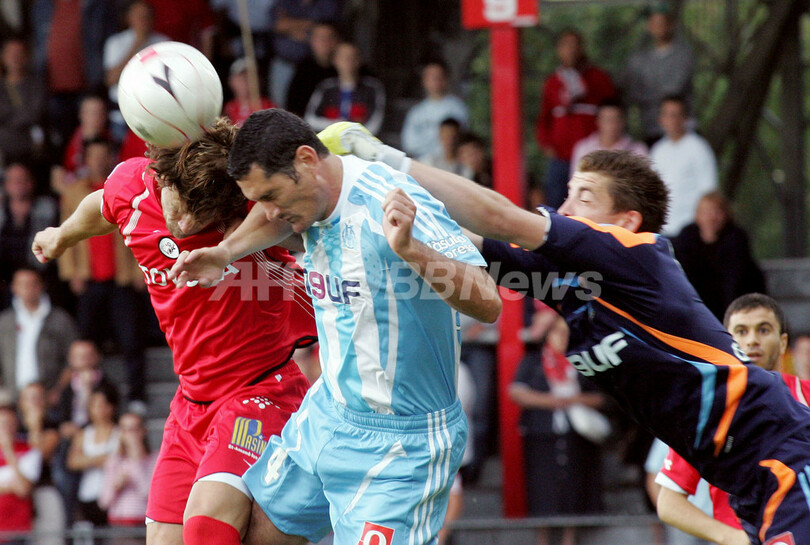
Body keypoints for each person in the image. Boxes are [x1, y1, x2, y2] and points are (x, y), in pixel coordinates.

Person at [321, 123, 810, 544]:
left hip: (782, 451)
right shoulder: (565, 283)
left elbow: (497, 215)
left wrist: (381, 157)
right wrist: (355, 203)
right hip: (746, 482)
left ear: (625, 221)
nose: (565, 207)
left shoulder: (637, 254)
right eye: (568, 192)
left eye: (584, 197)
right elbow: (466, 241)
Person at [169, 109, 501, 545]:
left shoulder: (389, 201)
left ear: (307, 161)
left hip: (404, 448)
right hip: (328, 413)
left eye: (271, 193)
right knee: (257, 534)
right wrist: (225, 251)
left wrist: (411, 250)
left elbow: (487, 300)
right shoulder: (306, 196)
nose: (268, 211)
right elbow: (270, 216)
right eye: (258, 198)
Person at [32, 116, 316, 545]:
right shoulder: (134, 185)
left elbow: (291, 219)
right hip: (190, 403)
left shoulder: (247, 216)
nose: (183, 223)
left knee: (207, 530)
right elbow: (101, 205)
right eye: (179, 205)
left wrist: (224, 250)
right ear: (161, 178)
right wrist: (62, 235)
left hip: (259, 393)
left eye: (199, 215)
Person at [655, 294, 810, 545]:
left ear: (783, 344)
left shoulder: (807, 395)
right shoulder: (708, 411)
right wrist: (732, 537)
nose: (752, 340)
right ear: (726, 343)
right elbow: (668, 503)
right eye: (741, 331)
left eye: (763, 329)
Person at [54, 138, 147, 406]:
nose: (98, 161)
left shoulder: (125, 189)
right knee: (86, 344)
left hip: (122, 277)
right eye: (93, 156)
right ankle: (89, 400)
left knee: (131, 340)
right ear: (86, 160)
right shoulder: (73, 192)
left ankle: (136, 398)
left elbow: (139, 230)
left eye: (103, 156)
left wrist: (141, 272)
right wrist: (72, 273)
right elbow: (65, 229)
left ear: (111, 159)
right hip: (88, 277)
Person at [510, 307, 607, 545]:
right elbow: (516, 391)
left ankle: (569, 538)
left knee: (574, 487)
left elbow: (602, 397)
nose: (562, 338)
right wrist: (551, 401)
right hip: (542, 434)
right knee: (543, 488)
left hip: (577, 435)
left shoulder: (583, 361)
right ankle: (542, 538)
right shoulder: (533, 362)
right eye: (557, 333)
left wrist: (573, 400)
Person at [535, 29, 616, 208]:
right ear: (558, 49)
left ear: (582, 48)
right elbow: (544, 117)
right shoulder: (553, 82)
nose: (570, 50)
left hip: (591, 157)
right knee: (556, 206)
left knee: (593, 204)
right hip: (560, 158)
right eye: (565, 45)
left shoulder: (599, 78)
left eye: (574, 45)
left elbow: (613, 112)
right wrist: (546, 143)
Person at [672, 192, 765, 321]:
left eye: (717, 212)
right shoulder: (686, 239)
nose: (711, 218)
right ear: (697, 215)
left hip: (734, 311)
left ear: (726, 215)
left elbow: (736, 282)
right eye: (706, 212)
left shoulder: (736, 239)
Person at [0, 268, 78, 399]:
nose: (28, 289)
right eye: (23, 284)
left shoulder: (60, 319)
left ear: (42, 286)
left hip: (51, 398)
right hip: (12, 397)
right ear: (14, 288)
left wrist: (58, 391)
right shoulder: (4, 321)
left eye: (33, 284)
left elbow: (72, 359)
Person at [623, 4, 694, 145]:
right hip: (651, 128)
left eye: (662, 23)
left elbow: (674, 90)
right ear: (648, 27)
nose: (658, 27)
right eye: (654, 23)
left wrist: (648, 96)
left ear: (670, 25)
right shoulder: (639, 58)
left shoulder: (683, 54)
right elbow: (632, 90)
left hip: (681, 129)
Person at [650, 95, 718, 237]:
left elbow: (709, 190)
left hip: (690, 229)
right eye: (667, 115)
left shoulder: (699, 148)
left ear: (685, 118)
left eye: (675, 115)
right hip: (662, 230)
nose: (671, 120)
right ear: (661, 119)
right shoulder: (657, 151)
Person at [103, 0, 168, 141]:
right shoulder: (116, 42)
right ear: (129, 18)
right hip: (121, 115)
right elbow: (110, 80)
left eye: (146, 16)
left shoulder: (164, 42)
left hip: (154, 114)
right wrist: (137, 44)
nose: (143, 20)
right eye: (138, 16)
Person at [267, 0, 342, 109]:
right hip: (286, 63)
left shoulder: (326, 4)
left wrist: (291, 26)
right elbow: (279, 25)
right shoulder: (285, 3)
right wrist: (309, 24)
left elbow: (326, 25)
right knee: (282, 109)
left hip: (317, 64)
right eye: (320, 39)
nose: (324, 41)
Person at [67, 383, 120, 527]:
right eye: (94, 405)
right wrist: (103, 459)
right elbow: (72, 461)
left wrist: (88, 460)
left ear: (111, 406)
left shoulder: (119, 432)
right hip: (88, 493)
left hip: (114, 494)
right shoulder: (84, 433)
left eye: (102, 404)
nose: (98, 409)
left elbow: (120, 459)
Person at [99, 411, 156, 544]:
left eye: (134, 429)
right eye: (125, 429)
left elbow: (149, 494)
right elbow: (104, 502)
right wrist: (116, 486)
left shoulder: (154, 459)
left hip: (143, 526)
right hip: (118, 526)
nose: (130, 434)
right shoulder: (114, 461)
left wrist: (136, 460)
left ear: (143, 431)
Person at [304, 41, 386, 135]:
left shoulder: (372, 87)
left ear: (359, 60)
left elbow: (375, 123)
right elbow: (310, 118)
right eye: (343, 57)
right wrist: (340, 127)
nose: (348, 61)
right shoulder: (326, 87)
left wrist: (353, 133)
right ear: (335, 60)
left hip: (362, 140)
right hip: (329, 139)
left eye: (352, 57)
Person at [400, 60, 468, 159]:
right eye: (431, 77)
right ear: (424, 81)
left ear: (446, 79)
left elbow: (461, 140)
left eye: (438, 77)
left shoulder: (457, 108)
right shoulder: (416, 112)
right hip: (423, 164)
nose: (435, 81)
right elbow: (409, 144)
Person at [0, 390, 41, 545]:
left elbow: (23, 489)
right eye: (2, 424)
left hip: (16, 532)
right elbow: (17, 486)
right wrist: (10, 486)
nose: (5, 429)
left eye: (9, 424)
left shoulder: (29, 451)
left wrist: (9, 451)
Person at [569, 98, 647, 177]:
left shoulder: (638, 150)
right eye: (607, 120)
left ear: (624, 121)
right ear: (598, 121)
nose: (612, 125)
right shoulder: (584, 149)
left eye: (616, 119)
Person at [0, 37, 47, 164]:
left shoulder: (36, 84)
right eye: (11, 54)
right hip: (4, 148)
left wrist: (10, 119)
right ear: (3, 57)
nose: (15, 58)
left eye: (19, 54)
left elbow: (35, 113)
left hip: (31, 147)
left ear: (27, 57)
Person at [285, 22, 340, 118]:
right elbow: (293, 108)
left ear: (337, 41)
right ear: (312, 41)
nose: (325, 42)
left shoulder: (349, 68)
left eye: (329, 37)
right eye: (320, 38)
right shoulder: (303, 71)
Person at [223, 58, 275, 127]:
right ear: (231, 81)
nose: (246, 81)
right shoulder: (229, 109)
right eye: (241, 77)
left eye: (250, 77)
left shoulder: (269, 107)